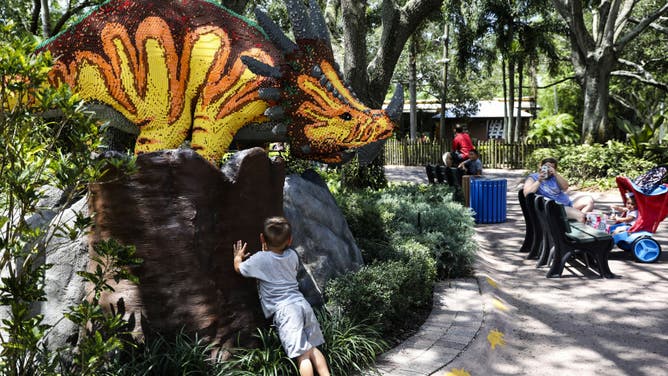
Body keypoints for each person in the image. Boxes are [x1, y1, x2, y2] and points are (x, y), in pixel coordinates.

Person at [233, 217, 330, 376]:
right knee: (312, 348)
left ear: (262, 238)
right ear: (290, 239)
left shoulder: (260, 259)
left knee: (303, 356)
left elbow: (239, 269)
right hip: (302, 305)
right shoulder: (292, 255)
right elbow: (278, 264)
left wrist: (237, 257)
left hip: (287, 312)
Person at [523, 157, 594, 222]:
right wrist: (539, 180)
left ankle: (575, 222)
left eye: (551, 167)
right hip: (554, 208)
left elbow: (565, 187)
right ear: (541, 167)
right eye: (546, 167)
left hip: (567, 204)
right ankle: (577, 228)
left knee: (588, 201)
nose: (548, 169)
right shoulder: (533, 177)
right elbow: (527, 194)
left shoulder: (554, 176)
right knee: (581, 216)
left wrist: (555, 174)